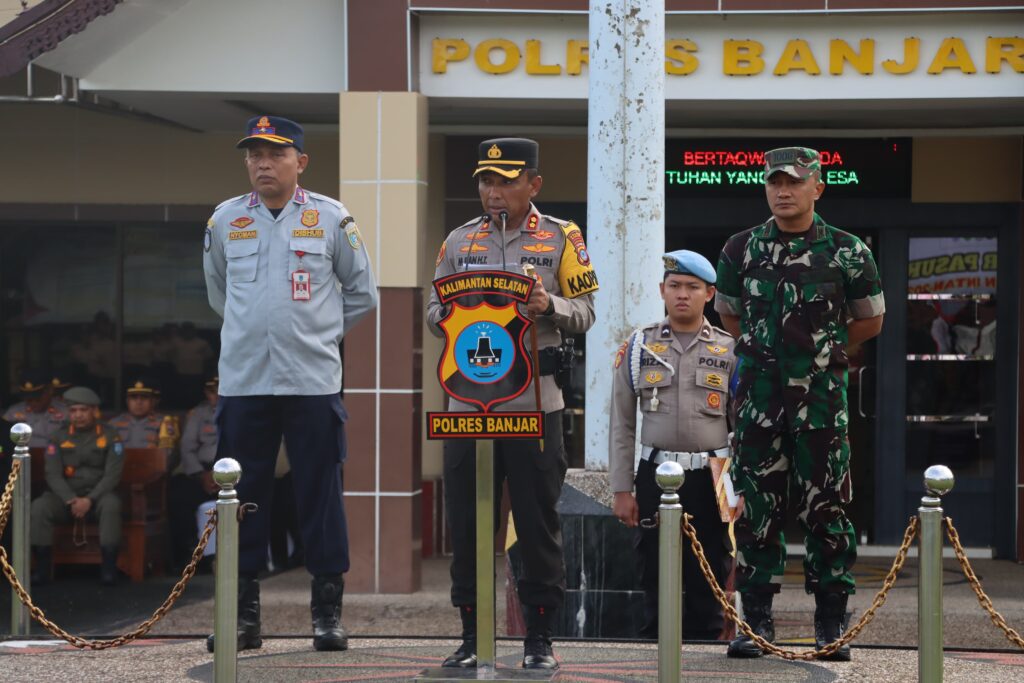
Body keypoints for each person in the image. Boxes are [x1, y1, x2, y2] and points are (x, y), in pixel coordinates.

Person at [203, 115, 377, 653]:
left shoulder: (330, 217)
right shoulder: (224, 221)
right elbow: (219, 296)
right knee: (240, 497)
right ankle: (242, 617)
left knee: (318, 496)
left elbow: (362, 292)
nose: (262, 163)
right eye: (253, 154)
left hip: (311, 382)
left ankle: (327, 615)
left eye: (275, 153)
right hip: (245, 381)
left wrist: (317, 335)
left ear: (300, 162)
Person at [426, 138, 599, 670]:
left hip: (535, 403)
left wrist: (551, 303)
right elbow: (433, 307)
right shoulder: (459, 239)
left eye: (504, 181)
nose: (493, 192)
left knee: (536, 521)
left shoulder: (562, 237)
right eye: (486, 181)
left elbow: (588, 310)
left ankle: (539, 639)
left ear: (534, 184)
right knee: (468, 522)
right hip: (467, 407)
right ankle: (472, 635)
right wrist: (447, 316)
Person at [715, 147, 885, 661]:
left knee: (826, 510)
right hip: (759, 405)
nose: (782, 191)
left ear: (817, 187)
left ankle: (830, 625)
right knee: (757, 511)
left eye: (793, 182)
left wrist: (821, 355)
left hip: (820, 405)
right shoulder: (741, 250)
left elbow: (869, 322)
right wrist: (773, 358)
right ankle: (756, 623)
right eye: (774, 183)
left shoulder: (848, 251)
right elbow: (731, 318)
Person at [608, 250, 734, 641]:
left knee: (710, 569)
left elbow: (744, 426)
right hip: (656, 473)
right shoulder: (639, 347)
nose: (683, 294)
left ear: (709, 294)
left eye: (693, 287)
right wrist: (621, 489)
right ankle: (654, 653)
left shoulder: (730, 350)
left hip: (714, 474)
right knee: (654, 569)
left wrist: (740, 488)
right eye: (675, 286)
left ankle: (703, 653)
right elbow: (622, 422)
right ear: (662, 290)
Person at [30, 386, 124, 586]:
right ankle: (41, 568)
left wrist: (89, 500)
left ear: (94, 411)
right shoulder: (58, 436)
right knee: (40, 506)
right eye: (73, 411)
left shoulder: (110, 435)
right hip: (66, 498)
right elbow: (52, 474)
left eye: (83, 410)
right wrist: (70, 499)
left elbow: (112, 474)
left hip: (97, 497)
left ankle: (108, 568)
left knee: (111, 505)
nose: (78, 415)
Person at [168, 375, 220, 569]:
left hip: (234, 475)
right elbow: (187, 448)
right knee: (178, 495)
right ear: (207, 393)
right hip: (203, 473)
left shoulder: (244, 411)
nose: (217, 395)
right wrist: (201, 475)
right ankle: (189, 554)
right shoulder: (198, 414)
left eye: (221, 389)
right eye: (212, 391)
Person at [3, 369, 67, 448]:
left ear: (49, 391)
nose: (33, 403)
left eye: (38, 399)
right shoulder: (13, 412)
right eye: (29, 400)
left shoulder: (65, 411)